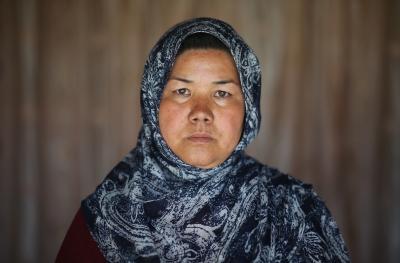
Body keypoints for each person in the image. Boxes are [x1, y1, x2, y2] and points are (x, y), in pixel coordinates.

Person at [56, 17, 350, 262]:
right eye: (182, 91)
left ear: (247, 109)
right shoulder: (102, 221)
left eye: (222, 93)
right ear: (152, 102)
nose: (201, 113)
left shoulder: (293, 208)